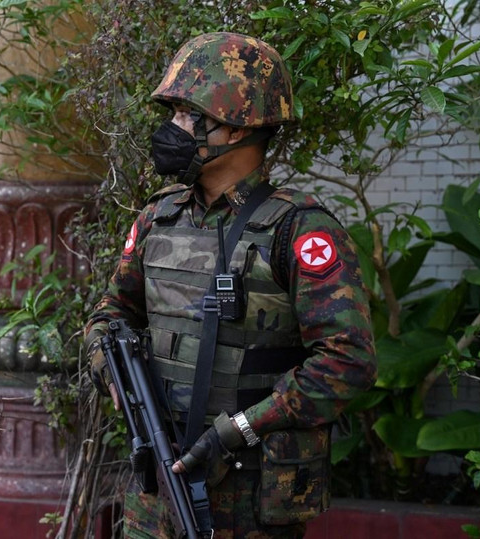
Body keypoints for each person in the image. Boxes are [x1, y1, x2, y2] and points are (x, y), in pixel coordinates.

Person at [84, 32, 376, 538]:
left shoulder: (299, 229)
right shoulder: (160, 216)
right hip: (154, 495)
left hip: (250, 502)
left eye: (186, 114)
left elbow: (347, 361)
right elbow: (110, 313)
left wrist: (239, 428)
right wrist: (113, 376)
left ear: (236, 127)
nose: (171, 128)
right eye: (172, 112)